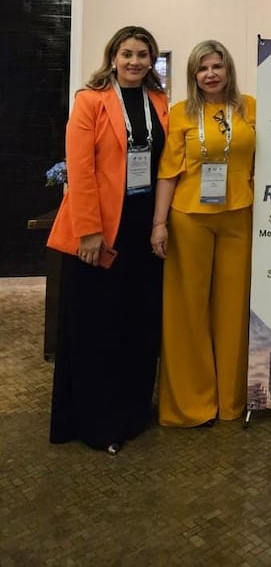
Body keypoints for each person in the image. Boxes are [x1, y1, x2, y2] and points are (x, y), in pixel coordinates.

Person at [47, 25, 169, 455]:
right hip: (101, 229)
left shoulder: (160, 102)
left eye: (143, 55)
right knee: (97, 328)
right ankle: (97, 423)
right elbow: (79, 171)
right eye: (127, 54)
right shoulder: (90, 101)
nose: (135, 61)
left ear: (152, 60)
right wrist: (89, 230)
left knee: (137, 326)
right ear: (113, 57)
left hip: (143, 231)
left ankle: (132, 414)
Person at [151, 40, 256, 427]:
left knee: (233, 311)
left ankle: (231, 402)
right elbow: (168, 172)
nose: (210, 74)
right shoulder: (180, 113)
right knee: (187, 312)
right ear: (193, 74)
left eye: (217, 67)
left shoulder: (250, 108)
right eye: (202, 68)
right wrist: (159, 224)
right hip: (188, 217)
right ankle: (191, 405)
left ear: (228, 70)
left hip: (238, 216)